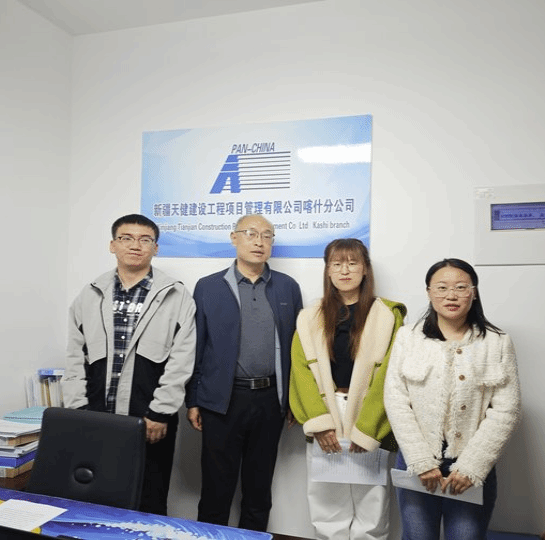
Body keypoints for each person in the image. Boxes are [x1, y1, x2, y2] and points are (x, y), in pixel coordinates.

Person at [61, 214, 196, 515]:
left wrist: (160, 412)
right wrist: (78, 410)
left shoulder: (176, 295)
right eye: (126, 238)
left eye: (145, 240)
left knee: (149, 500)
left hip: (150, 419)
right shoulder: (90, 294)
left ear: (155, 248)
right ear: (113, 245)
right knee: (96, 498)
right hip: (96, 415)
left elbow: (182, 358)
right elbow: (74, 356)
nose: (135, 245)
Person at [384, 258, 521, 540]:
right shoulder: (408, 337)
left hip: (471, 462)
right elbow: (395, 399)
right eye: (442, 287)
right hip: (416, 460)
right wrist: (421, 460)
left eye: (461, 287)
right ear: (429, 292)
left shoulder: (497, 342)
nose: (451, 295)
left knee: (466, 536)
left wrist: (472, 466)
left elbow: (506, 410)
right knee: (417, 536)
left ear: (474, 292)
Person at [186, 213, 302, 532]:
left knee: (258, 489)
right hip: (221, 401)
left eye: (267, 236)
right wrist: (193, 399)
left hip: (270, 400)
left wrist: (294, 400)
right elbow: (197, 345)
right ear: (234, 237)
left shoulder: (287, 288)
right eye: (251, 233)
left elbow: (297, 350)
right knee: (216, 488)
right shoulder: (208, 287)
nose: (259, 241)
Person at [290, 239, 406, 540]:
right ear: (327, 270)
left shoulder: (387, 315)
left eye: (353, 263)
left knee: (372, 500)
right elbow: (300, 372)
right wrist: (320, 423)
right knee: (327, 499)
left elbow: (391, 375)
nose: (345, 270)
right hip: (327, 411)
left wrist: (368, 427)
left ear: (365, 269)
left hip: (371, 413)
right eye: (337, 264)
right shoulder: (309, 317)